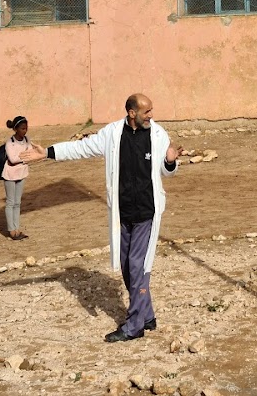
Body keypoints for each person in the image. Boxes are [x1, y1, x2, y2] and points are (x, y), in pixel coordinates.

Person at [43, 93, 182, 342]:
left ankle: (134, 325)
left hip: (147, 212)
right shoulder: (112, 134)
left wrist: (170, 162)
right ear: (132, 113)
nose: (151, 115)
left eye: (151, 111)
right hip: (122, 212)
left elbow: (164, 170)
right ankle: (147, 315)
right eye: (146, 111)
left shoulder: (158, 135)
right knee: (127, 266)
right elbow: (81, 148)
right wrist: (47, 152)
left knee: (138, 264)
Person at [1, 115, 43, 241]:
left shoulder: (27, 140)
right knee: (10, 202)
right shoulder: (10, 142)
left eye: (26, 128)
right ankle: (11, 230)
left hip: (22, 173)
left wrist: (24, 156)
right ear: (15, 129)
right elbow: (13, 160)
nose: (25, 131)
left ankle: (17, 228)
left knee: (17, 202)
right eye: (22, 128)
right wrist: (25, 157)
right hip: (10, 174)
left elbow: (30, 154)